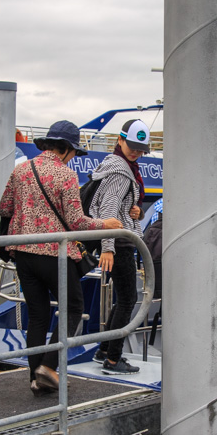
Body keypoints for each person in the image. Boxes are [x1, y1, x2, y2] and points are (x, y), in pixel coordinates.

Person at [0, 120, 122, 394]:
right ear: (65, 149)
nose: (75, 157)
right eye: (75, 152)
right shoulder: (65, 176)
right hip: (55, 253)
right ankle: (49, 367)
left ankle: (34, 378)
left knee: (39, 316)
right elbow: (76, 222)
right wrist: (105, 225)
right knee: (74, 308)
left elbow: (4, 207)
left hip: (23, 254)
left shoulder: (21, 170)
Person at [87, 118, 150, 374]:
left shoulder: (117, 164)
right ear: (120, 140)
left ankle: (104, 349)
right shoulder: (122, 171)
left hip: (121, 238)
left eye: (140, 149)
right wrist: (108, 247)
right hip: (120, 243)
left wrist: (136, 212)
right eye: (131, 145)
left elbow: (118, 207)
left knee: (122, 299)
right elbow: (108, 208)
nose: (135, 152)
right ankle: (113, 360)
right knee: (128, 300)